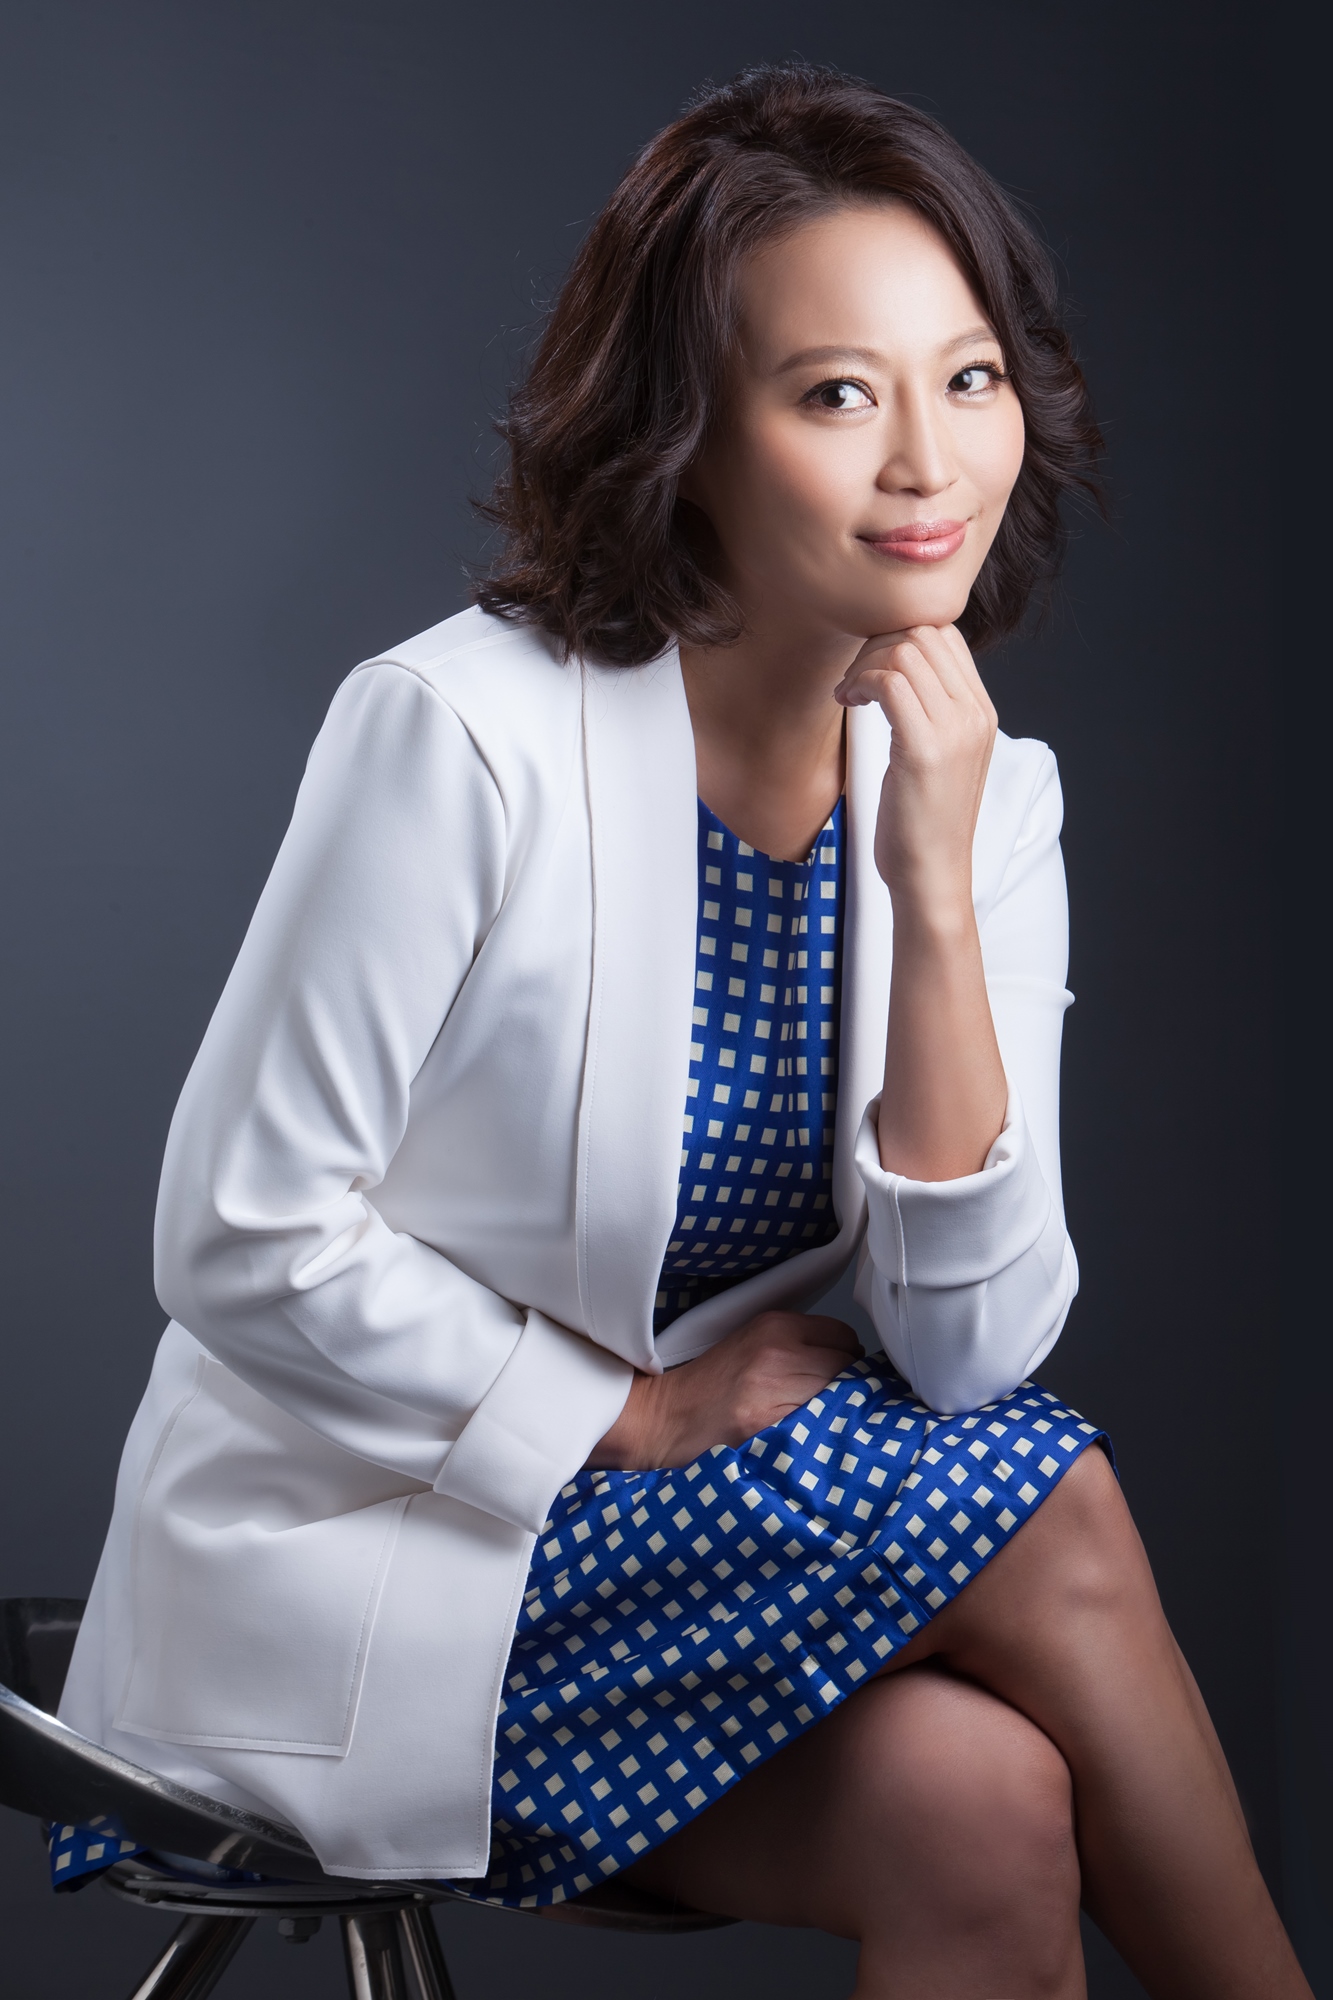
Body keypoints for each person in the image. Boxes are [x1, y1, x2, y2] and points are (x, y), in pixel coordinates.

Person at [58, 63, 1308, 1999]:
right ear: (688, 437)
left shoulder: (983, 794)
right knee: (1050, 1502)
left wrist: (930, 889)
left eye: (968, 377)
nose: (929, 462)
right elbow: (239, 1229)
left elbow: (968, 1352)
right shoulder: (459, 731)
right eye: (837, 395)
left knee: (981, 1811)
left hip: (678, 1559)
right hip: (372, 1561)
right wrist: (627, 1414)